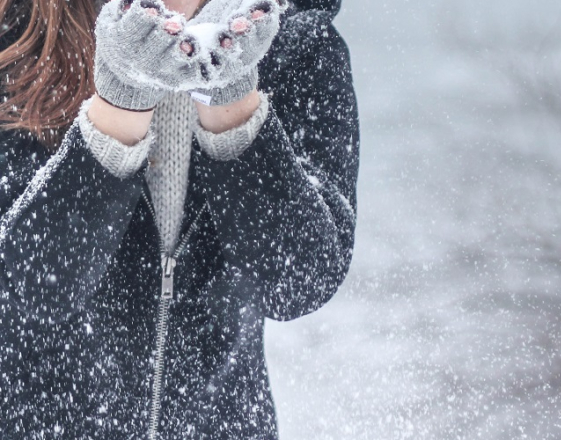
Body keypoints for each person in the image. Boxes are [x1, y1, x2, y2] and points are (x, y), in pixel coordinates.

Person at [0, 0, 358, 436]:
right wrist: (121, 101)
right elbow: (32, 287)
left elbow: (299, 282)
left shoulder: (296, 44)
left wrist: (232, 104)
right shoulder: (18, 37)